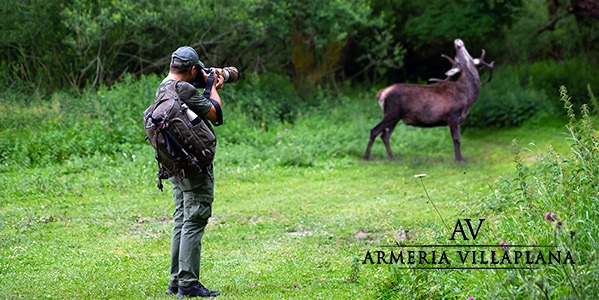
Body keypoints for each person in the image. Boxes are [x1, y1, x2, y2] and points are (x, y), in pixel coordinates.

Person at [156, 46, 224, 298]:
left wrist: (205, 85)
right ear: (193, 69)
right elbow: (216, 113)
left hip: (176, 163)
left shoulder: (164, 86)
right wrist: (212, 86)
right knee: (195, 219)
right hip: (194, 164)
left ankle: (176, 280)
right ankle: (188, 282)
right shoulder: (184, 89)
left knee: (183, 219)